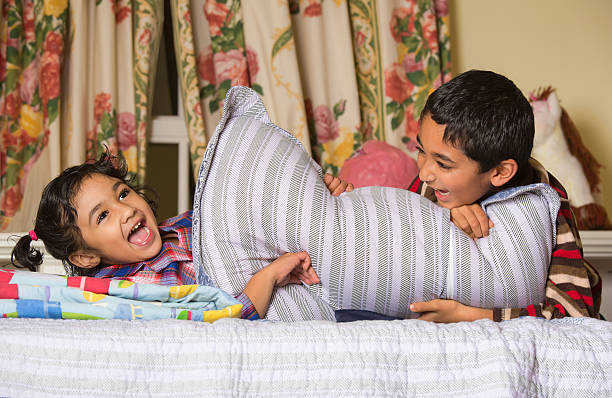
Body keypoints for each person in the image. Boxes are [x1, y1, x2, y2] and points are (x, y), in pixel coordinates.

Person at [335, 70, 601, 323]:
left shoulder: (544, 200)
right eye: (420, 150)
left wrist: (468, 316)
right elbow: (397, 246)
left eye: (443, 164)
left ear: (499, 172)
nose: (425, 172)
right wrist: (442, 214)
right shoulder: (432, 182)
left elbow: (575, 314)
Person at [10, 151, 351, 319]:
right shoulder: (132, 292)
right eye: (103, 215)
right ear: (85, 257)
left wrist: (315, 200)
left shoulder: (194, 221)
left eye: (123, 193)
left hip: (318, 285)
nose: (125, 209)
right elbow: (217, 323)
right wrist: (269, 276)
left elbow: (260, 224)